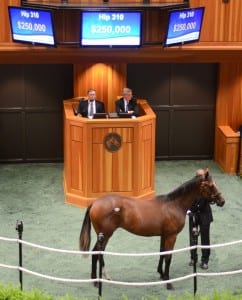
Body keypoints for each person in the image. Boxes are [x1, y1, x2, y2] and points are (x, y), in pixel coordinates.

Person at [188, 169, 213, 270]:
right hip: (193, 215)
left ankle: (205, 261)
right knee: (192, 238)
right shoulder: (191, 186)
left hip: (205, 215)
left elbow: (211, 198)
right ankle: (193, 258)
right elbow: (187, 199)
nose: (202, 178)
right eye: (200, 176)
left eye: (203, 176)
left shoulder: (209, 186)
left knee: (205, 239)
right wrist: (188, 211)